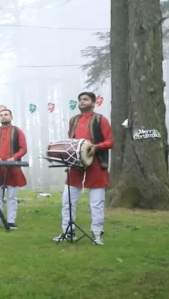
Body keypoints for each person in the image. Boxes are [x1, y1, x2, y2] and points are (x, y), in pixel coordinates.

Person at [53, 92, 114, 245]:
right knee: (67, 200)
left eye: (85, 99)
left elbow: (110, 142)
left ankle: (97, 233)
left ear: (93, 103)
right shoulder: (73, 120)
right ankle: (68, 231)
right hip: (75, 166)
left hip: (96, 165)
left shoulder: (101, 119)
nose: (82, 102)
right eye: (80, 100)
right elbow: (71, 141)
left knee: (96, 202)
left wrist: (97, 147)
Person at [0, 108, 27, 230]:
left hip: (13, 167)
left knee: (12, 196)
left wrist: (14, 158)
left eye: (6, 114)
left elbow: (23, 149)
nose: (3, 116)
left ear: (11, 117)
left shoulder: (18, 131)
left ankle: (11, 221)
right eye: (1, 115)